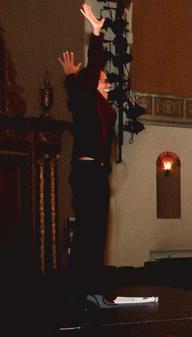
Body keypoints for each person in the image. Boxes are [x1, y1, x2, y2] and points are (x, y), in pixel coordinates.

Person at [59, 3, 117, 309]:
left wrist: (71, 79)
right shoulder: (88, 101)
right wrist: (96, 33)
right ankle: (84, 291)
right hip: (87, 173)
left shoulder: (103, 109)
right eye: (103, 79)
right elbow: (93, 69)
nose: (107, 81)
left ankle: (88, 291)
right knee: (89, 235)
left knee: (94, 235)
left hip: (97, 173)